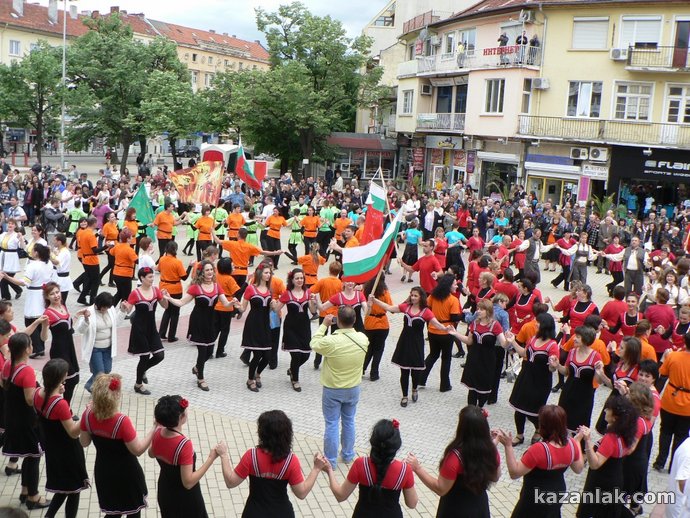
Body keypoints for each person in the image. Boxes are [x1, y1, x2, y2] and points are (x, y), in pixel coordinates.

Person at [215, 410, 327, 517]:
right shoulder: (291, 461)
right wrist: (316, 468)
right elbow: (301, 493)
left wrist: (224, 455)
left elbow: (231, 482)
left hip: (254, 512)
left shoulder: (251, 456)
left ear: (262, 434)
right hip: (282, 513)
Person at [79, 373, 154, 518]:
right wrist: (154, 429)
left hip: (104, 471)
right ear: (116, 395)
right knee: (133, 511)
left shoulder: (87, 415)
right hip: (127, 473)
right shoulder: (121, 421)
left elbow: (84, 442)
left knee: (112, 513)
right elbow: (138, 450)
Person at [406, 406, 500, 518]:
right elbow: (495, 477)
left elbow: (440, 488)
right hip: (480, 507)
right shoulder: (492, 451)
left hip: (455, 508)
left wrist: (417, 468)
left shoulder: (455, 457)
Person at [497, 405, 584, 517]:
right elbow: (578, 469)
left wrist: (508, 446)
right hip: (557, 492)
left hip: (535, 497)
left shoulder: (539, 450)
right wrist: (577, 441)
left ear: (542, 425)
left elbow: (515, 473)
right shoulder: (572, 444)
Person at [309, 305, 369, 469]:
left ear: (338, 321)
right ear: (354, 320)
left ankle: (330, 461)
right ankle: (348, 455)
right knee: (349, 421)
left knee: (332, 424)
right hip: (353, 388)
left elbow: (314, 343)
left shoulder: (331, 341)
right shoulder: (363, 338)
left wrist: (324, 325)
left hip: (333, 389)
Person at [164, 260, 236, 391]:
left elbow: (226, 304)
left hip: (211, 322)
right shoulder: (196, 287)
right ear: (202, 272)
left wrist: (232, 303)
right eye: (207, 270)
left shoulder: (217, 286)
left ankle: (197, 367)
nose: (210, 272)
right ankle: (201, 379)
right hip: (198, 322)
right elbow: (181, 302)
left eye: (211, 269)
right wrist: (169, 298)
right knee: (202, 351)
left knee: (209, 352)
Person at [370, 287, 448, 407]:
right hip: (404, 342)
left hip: (417, 344)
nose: (413, 297)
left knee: (415, 372)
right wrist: (375, 300)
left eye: (416, 296)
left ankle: (415, 388)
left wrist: (446, 329)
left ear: (421, 297)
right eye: (412, 295)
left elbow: (436, 324)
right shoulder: (406, 307)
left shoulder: (425, 311)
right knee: (404, 371)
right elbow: (389, 308)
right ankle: (405, 396)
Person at [324, 418, 418, 516]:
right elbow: (412, 504)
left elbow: (340, 496)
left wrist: (329, 470)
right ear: (397, 445)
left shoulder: (361, 464)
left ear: (373, 441)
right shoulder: (404, 470)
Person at [33, 359, 89, 518]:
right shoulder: (60, 404)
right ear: (61, 377)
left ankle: (48, 516)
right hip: (67, 450)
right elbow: (73, 432)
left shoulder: (38, 393)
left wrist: (58, 391)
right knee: (74, 490)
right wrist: (86, 415)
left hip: (52, 447)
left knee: (63, 488)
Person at [1, 333, 50, 509]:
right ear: (27, 349)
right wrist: (47, 391)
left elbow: (3, 385)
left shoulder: (7, 364)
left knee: (28, 456)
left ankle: (25, 491)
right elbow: (30, 399)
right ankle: (33, 497)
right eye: (30, 344)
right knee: (34, 456)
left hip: (11, 416)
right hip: (26, 420)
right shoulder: (26, 371)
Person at [149, 395, 217, 518]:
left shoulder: (158, 433)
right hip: (185, 499)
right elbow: (188, 482)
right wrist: (211, 458)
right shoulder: (184, 445)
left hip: (165, 491)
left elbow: (151, 453)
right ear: (181, 417)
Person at [577, 395, 638, 518]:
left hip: (601, 482)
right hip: (616, 479)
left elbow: (595, 464)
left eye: (608, 409)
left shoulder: (611, 437)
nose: (605, 410)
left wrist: (587, 441)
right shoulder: (627, 433)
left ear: (615, 417)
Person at [506, 313, 559, 445]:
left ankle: (538, 429)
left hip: (541, 381)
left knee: (534, 411)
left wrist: (553, 365)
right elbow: (524, 353)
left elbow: (552, 369)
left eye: (538, 323)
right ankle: (520, 435)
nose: (536, 324)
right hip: (525, 377)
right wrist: (513, 341)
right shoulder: (533, 339)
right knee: (519, 407)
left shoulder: (552, 345)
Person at [1, 243, 56, 358]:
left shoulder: (33, 265)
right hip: (43, 293)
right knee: (41, 319)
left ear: (36, 253)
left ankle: (37, 348)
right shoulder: (48, 263)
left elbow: (23, 282)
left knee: (30, 320)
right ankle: (41, 346)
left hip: (33, 294)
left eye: (32, 250)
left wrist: (7, 277)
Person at [452, 299, 508, 408]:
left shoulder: (495, 325)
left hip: (487, 360)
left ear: (488, 311)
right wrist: (455, 333)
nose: (478, 311)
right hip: (474, 358)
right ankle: (471, 411)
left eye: (482, 309)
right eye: (478, 309)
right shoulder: (475, 323)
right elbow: (469, 341)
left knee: (483, 389)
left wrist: (510, 341)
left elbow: (503, 344)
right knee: (472, 389)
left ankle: (480, 409)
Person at [125, 267, 169, 395]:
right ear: (142, 278)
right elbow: (128, 309)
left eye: (152, 276)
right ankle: (138, 384)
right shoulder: (135, 293)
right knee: (144, 357)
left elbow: (165, 306)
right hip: (139, 329)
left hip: (152, 328)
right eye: (149, 277)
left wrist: (165, 297)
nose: (152, 279)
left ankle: (143, 370)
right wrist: (123, 307)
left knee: (160, 356)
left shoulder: (155, 290)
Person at [551, 325, 603, 433]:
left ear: (586, 339)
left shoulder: (595, 356)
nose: (574, 338)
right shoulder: (572, 352)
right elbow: (566, 372)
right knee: (562, 421)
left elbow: (598, 381)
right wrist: (557, 365)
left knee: (580, 424)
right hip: (568, 392)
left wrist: (600, 372)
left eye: (578, 337)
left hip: (584, 396)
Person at [74, 292, 128, 393]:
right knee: (100, 374)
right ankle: (98, 394)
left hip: (108, 347)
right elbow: (80, 330)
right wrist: (86, 319)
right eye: (104, 307)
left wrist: (122, 310)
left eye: (107, 308)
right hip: (95, 348)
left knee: (107, 370)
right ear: (98, 304)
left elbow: (116, 323)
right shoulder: (89, 311)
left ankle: (90, 385)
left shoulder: (110, 310)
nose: (105, 310)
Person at [39, 283, 84, 403]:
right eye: (52, 294)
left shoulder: (63, 306)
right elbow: (43, 338)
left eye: (57, 292)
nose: (56, 295)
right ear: (47, 297)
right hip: (59, 350)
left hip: (69, 348)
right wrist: (44, 326)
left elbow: (68, 327)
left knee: (73, 378)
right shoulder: (48, 313)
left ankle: (63, 405)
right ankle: (62, 406)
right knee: (71, 380)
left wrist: (78, 315)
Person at [274, 269, 316, 392]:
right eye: (297, 278)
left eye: (301, 278)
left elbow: (313, 311)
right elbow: (276, 309)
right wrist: (273, 302)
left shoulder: (308, 292)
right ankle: (295, 380)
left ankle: (292, 369)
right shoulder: (287, 293)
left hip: (304, 326)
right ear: (292, 280)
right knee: (296, 355)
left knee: (306, 354)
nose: (299, 280)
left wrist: (313, 302)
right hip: (291, 327)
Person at [238, 264, 277, 392]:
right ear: (260, 274)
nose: (268, 275)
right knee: (257, 354)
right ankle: (250, 380)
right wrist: (236, 306)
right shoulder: (251, 288)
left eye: (269, 273)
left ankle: (258, 373)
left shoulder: (269, 290)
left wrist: (274, 305)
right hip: (253, 324)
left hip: (265, 325)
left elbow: (273, 310)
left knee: (267, 355)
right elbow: (243, 308)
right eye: (266, 272)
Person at [654, 333, 690, 472]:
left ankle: (660, 462)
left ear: (684, 341)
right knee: (681, 435)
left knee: (665, 431)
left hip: (670, 399)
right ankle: (674, 465)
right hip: (687, 406)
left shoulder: (673, 356)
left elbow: (663, 373)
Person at [419, 274, 461, 393]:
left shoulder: (433, 296)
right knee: (446, 358)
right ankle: (444, 385)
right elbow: (454, 317)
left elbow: (426, 307)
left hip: (433, 329)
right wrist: (464, 315)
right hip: (446, 331)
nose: (456, 286)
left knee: (433, 355)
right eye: (455, 284)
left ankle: (421, 379)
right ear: (449, 285)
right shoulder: (453, 300)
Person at [157, 241, 189, 343]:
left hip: (163, 287)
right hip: (175, 289)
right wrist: (190, 266)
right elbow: (184, 277)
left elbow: (159, 269)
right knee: (175, 313)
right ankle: (171, 336)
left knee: (167, 311)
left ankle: (161, 333)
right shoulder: (177, 262)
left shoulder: (162, 259)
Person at [362, 277, 392, 382]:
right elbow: (390, 307)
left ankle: (362, 369)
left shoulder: (366, 291)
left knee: (369, 348)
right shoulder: (385, 292)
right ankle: (374, 373)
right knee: (378, 349)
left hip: (369, 323)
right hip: (382, 323)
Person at [213, 257, 241, 359]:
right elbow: (237, 292)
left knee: (215, 328)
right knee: (224, 330)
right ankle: (220, 351)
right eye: (232, 266)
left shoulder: (216, 275)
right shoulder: (229, 279)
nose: (234, 267)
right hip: (226, 306)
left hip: (216, 305)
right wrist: (246, 282)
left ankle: (209, 349)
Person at [109, 228, 138, 305]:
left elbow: (111, 252)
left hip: (116, 273)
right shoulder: (129, 250)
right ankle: (122, 310)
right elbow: (136, 260)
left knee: (120, 292)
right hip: (125, 274)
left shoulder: (117, 246)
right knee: (126, 295)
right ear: (128, 239)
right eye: (131, 237)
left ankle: (110, 307)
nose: (132, 238)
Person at [0, 218, 24, 300]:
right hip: (3, 256)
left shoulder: (16, 235)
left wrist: (21, 239)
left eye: (12, 224)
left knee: (4, 278)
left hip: (11, 258)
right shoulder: (3, 234)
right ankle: (18, 290)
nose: (10, 225)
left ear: (15, 226)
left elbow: (21, 246)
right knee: (4, 277)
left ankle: (6, 296)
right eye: (9, 223)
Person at [52, 233, 73, 304]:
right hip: (55, 276)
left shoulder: (64, 252)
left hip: (62, 279)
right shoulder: (57, 249)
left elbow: (56, 262)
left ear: (59, 242)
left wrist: (49, 255)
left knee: (61, 302)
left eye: (54, 240)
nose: (53, 242)